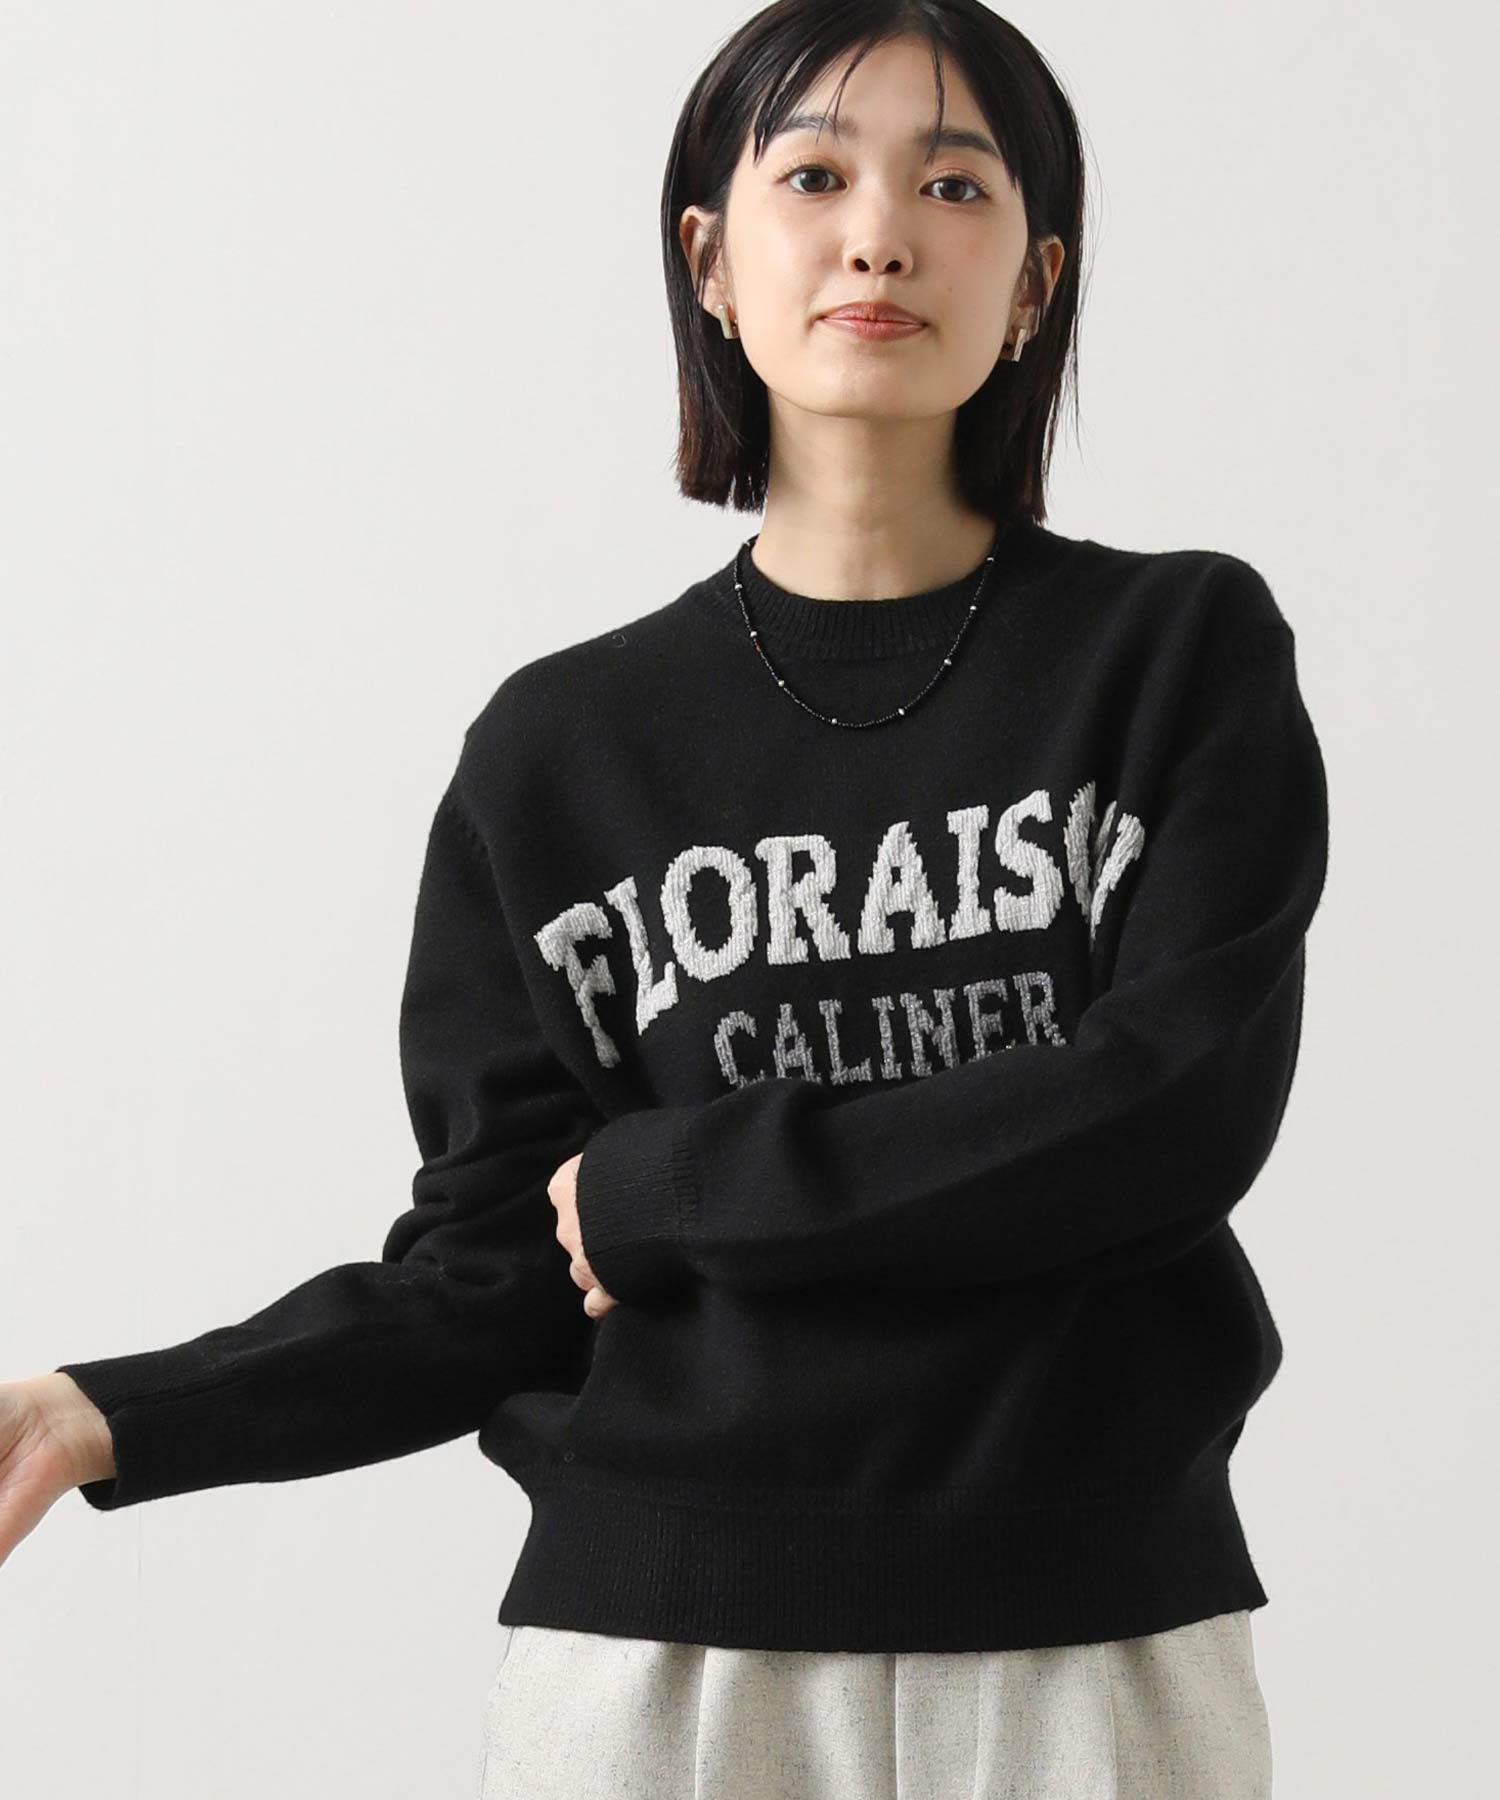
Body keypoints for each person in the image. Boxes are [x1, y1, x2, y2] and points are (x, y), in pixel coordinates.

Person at [3, 5, 1328, 1796]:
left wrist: (669, 1184)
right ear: (709, 259)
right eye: (815, 176)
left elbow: (1166, 1114)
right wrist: (111, 1414)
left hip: (1089, 1637)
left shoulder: (1174, 655)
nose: (880, 235)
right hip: (656, 1660)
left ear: (1036, 281)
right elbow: (500, 1273)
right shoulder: (560, 750)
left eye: (953, 185)